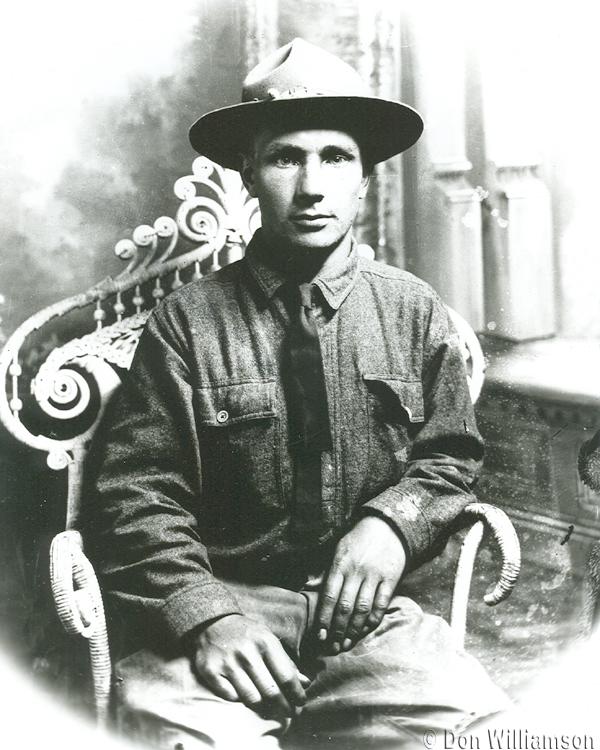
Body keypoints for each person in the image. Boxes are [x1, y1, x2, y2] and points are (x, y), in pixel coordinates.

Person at [86, 38, 509, 749]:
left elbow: (449, 457)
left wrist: (391, 526)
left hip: (373, 622)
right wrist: (207, 616)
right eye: (286, 157)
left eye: (336, 158)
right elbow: (136, 496)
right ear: (248, 172)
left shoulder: (412, 310)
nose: (312, 187)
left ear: (365, 180)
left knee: (480, 729)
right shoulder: (188, 322)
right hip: (227, 613)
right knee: (181, 734)